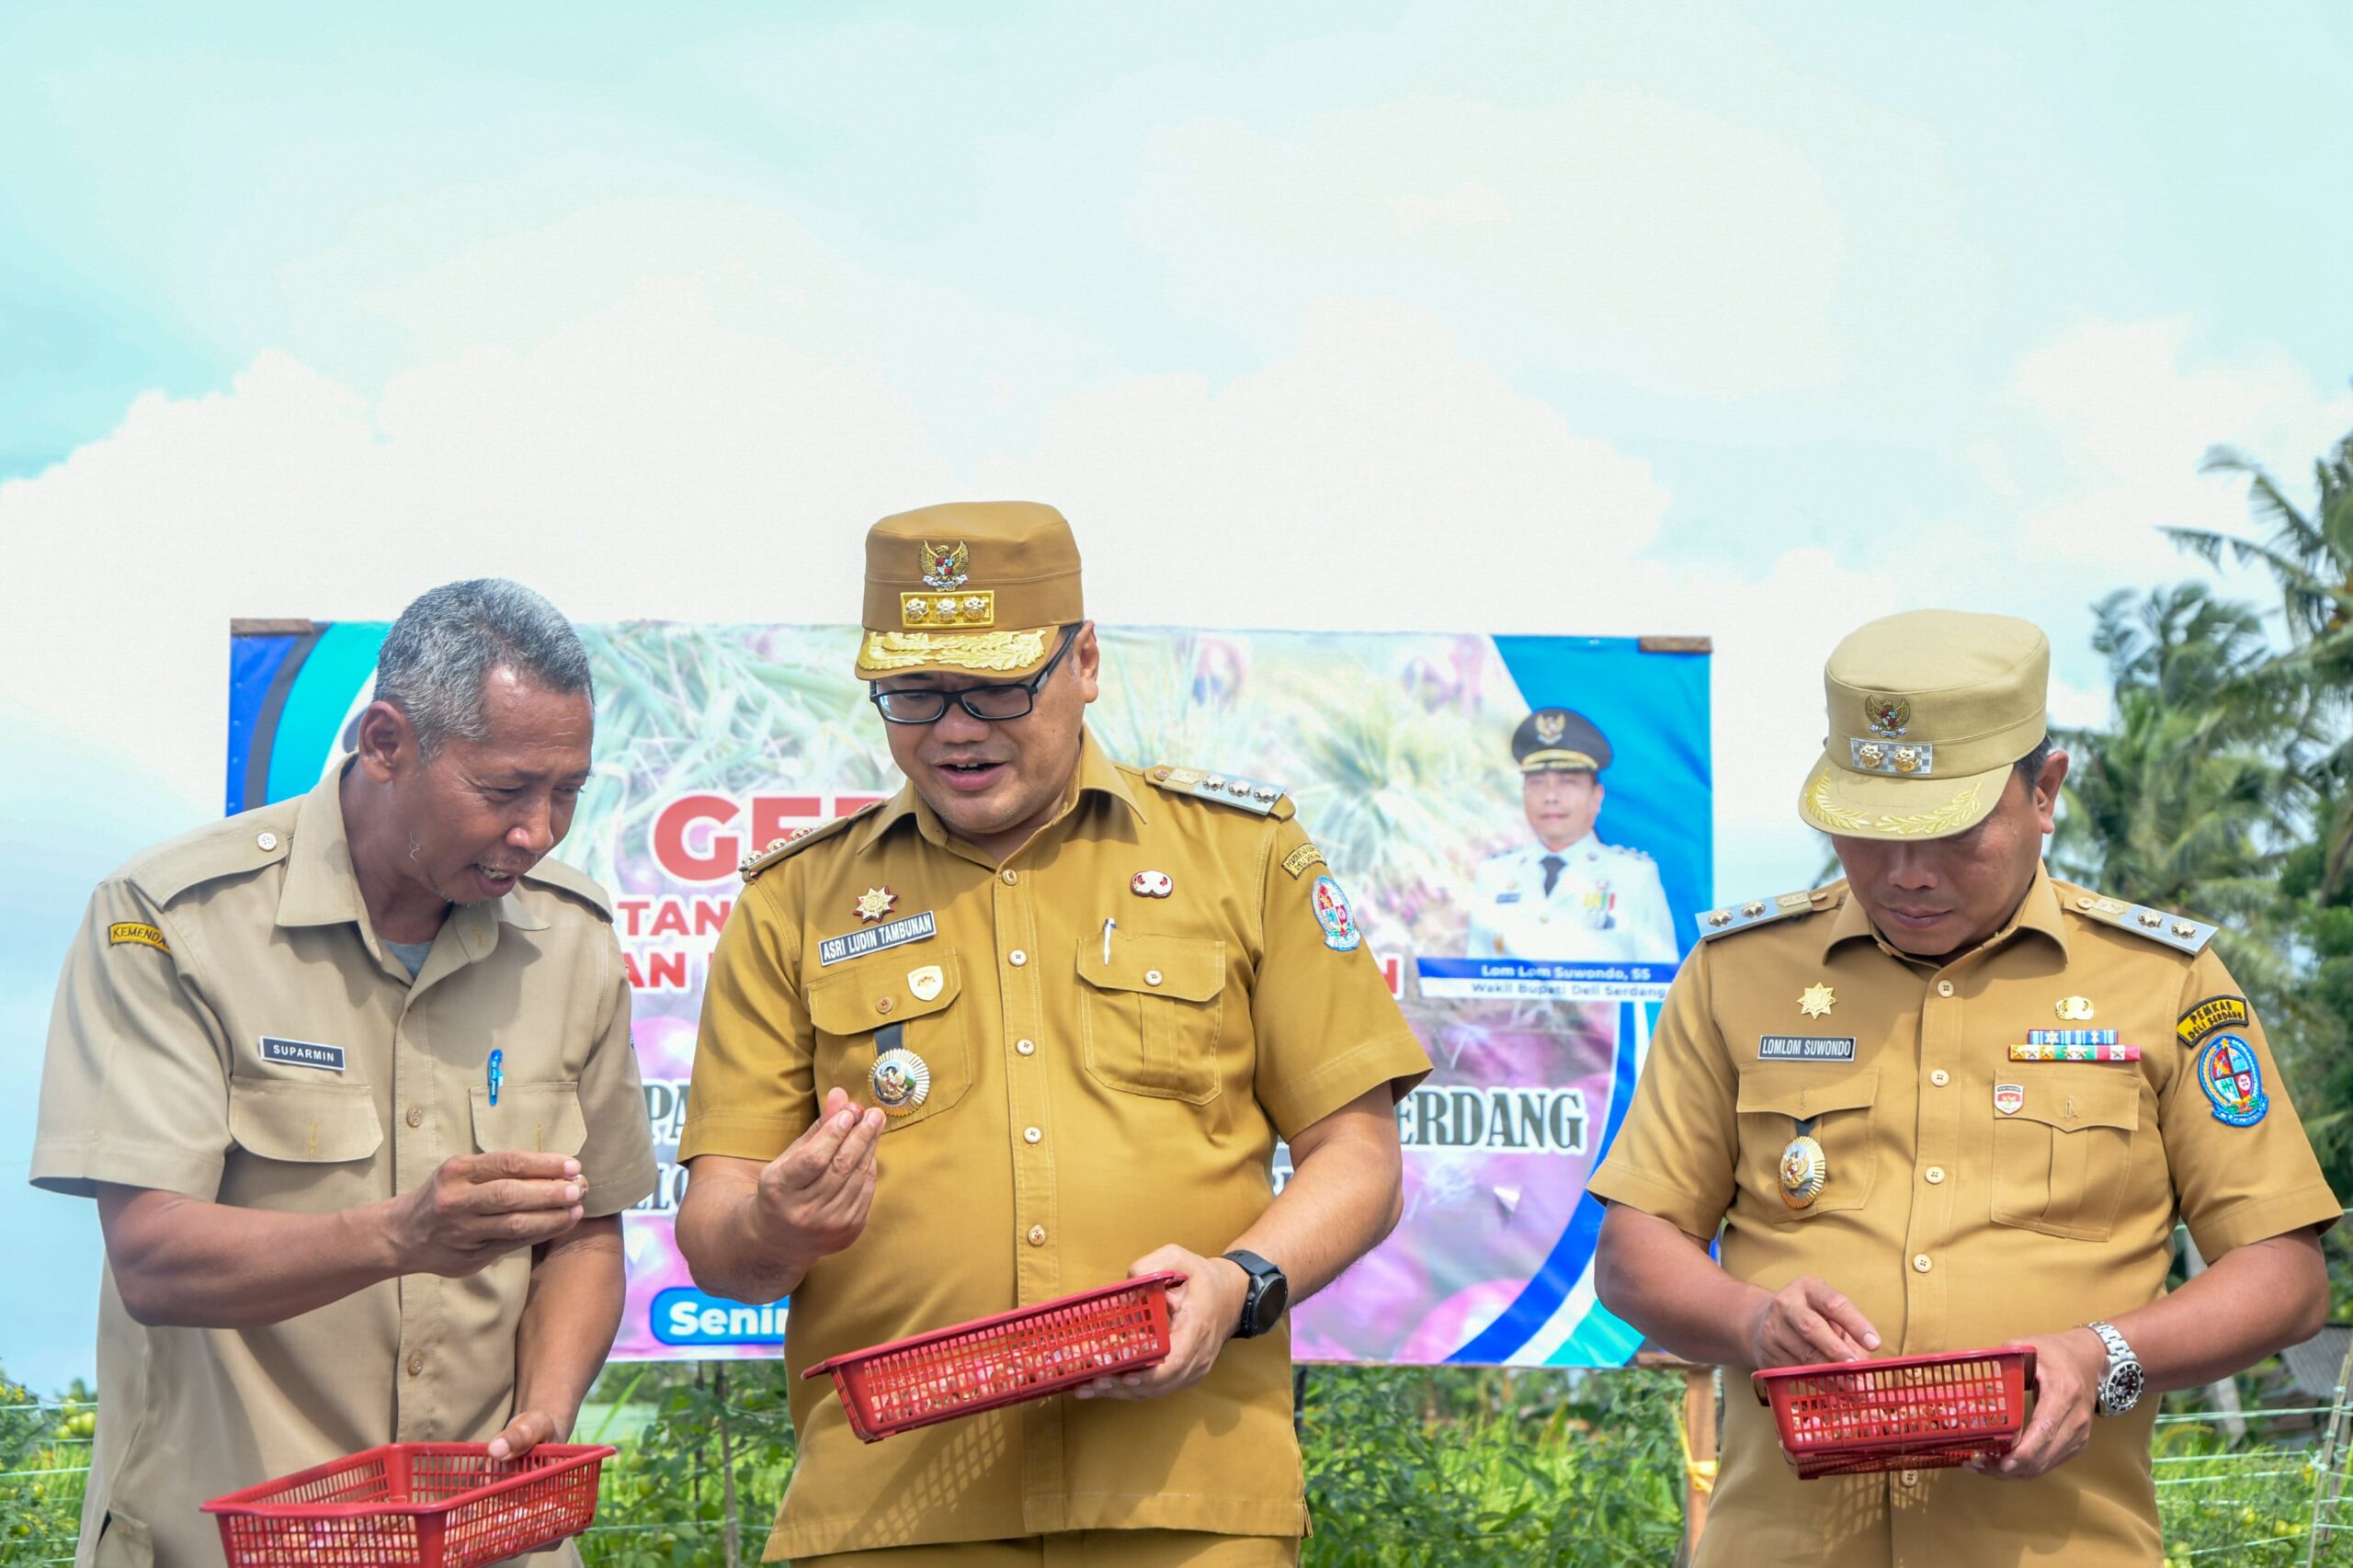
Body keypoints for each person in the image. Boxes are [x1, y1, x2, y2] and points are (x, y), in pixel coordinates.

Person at [676, 501, 1431, 1567]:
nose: (953, 727)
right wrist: (778, 1221)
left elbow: (1359, 1158)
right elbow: (716, 1235)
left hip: (1186, 1500)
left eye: (994, 686)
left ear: (1083, 660)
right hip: (888, 1510)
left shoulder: (1243, 856)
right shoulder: (796, 900)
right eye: (913, 692)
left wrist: (1237, 1283)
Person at [1588, 608, 2339, 1566]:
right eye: (1866, 832)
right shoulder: (1738, 972)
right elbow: (1633, 1248)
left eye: (1950, 831)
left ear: (2045, 789)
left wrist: (2100, 1354)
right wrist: (1752, 1319)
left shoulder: (2163, 981)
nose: (1905, 873)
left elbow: (2284, 1274)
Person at [30, 580, 658, 1568]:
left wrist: (546, 1404)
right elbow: (151, 1257)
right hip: (230, 1538)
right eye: (503, 791)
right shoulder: (171, 919)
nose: (538, 830)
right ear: (383, 742)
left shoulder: (571, 942)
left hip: (490, 1541)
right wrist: (401, 1234)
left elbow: (585, 1232)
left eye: (568, 791)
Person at [1464, 708, 1677, 963]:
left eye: (1568, 782)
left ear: (1596, 797)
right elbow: (1474, 982)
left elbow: (1663, 986)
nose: (1550, 796)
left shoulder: (1633, 876)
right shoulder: (1495, 874)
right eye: (1537, 783)